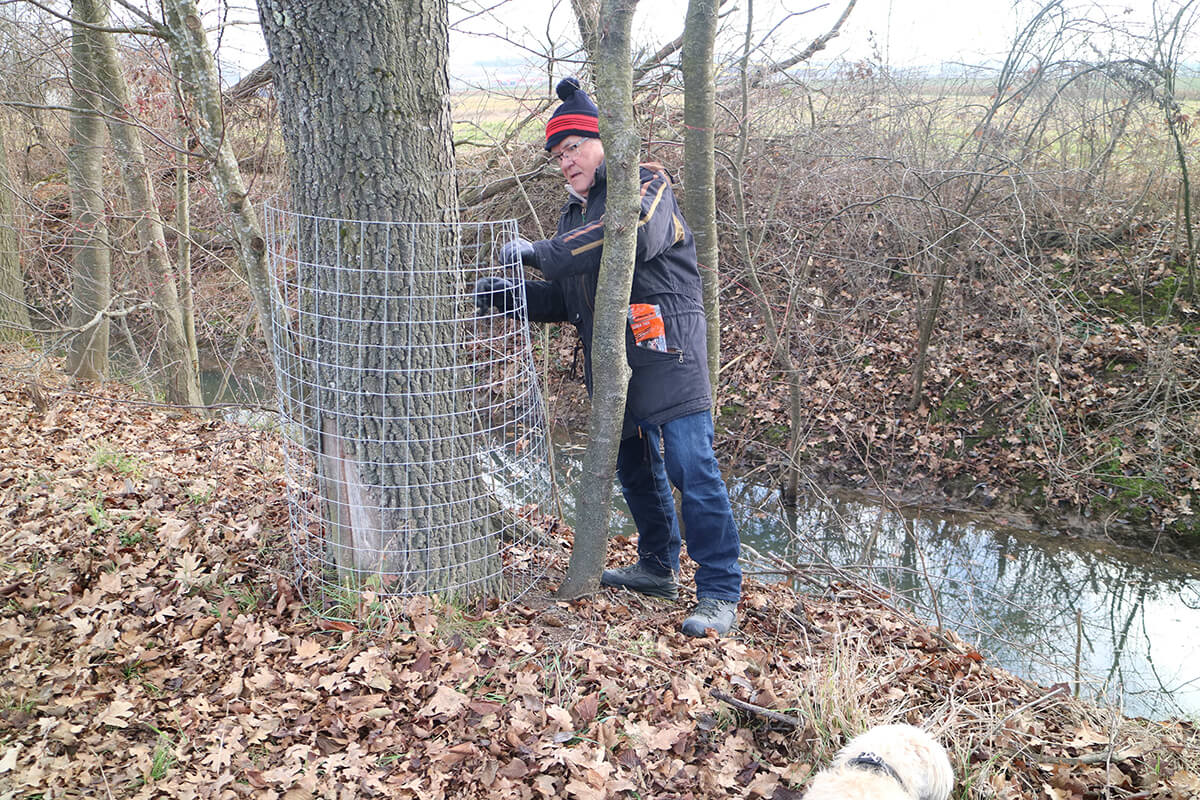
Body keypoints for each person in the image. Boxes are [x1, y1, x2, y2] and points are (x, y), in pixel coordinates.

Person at [475, 77, 741, 637]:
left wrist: (540, 254)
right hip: (613, 364)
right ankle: (657, 567)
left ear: (603, 143)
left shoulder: (645, 184)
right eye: (557, 154)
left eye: (573, 147)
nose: (565, 161)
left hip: (666, 351)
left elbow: (633, 237)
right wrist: (512, 296)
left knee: (692, 467)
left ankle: (719, 592)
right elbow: (573, 299)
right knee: (634, 470)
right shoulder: (573, 219)